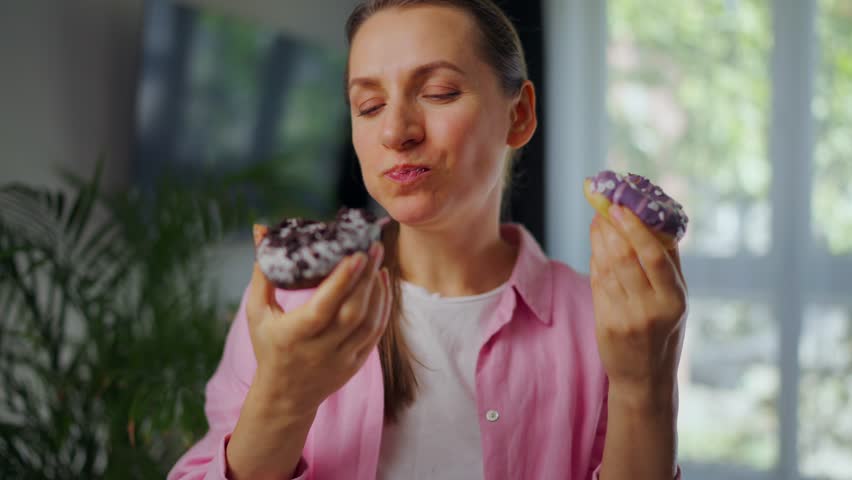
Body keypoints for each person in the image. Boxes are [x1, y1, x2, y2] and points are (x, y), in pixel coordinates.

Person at [168, 0, 687, 479]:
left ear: (519, 115)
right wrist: (282, 399)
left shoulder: (606, 324)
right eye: (369, 105)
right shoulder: (288, 310)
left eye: (439, 93)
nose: (396, 131)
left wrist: (644, 388)